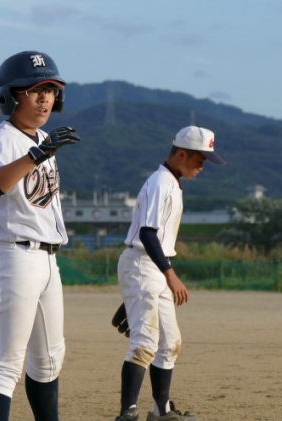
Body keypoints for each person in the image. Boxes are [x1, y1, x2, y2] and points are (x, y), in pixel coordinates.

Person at [0, 50, 80, 421]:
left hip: (47, 258)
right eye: (34, 90)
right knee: (4, 365)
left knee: (49, 360)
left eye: (50, 90)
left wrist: (42, 149)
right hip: (12, 256)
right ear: (10, 96)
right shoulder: (3, 140)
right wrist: (36, 155)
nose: (44, 98)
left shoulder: (45, 138)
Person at [112, 126, 226, 421]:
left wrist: (161, 276)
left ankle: (161, 411)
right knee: (145, 342)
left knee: (170, 342)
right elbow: (147, 234)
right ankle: (127, 414)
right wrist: (170, 274)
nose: (202, 167)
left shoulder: (172, 182)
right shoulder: (160, 182)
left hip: (152, 267)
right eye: (200, 160)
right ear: (182, 154)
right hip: (143, 263)